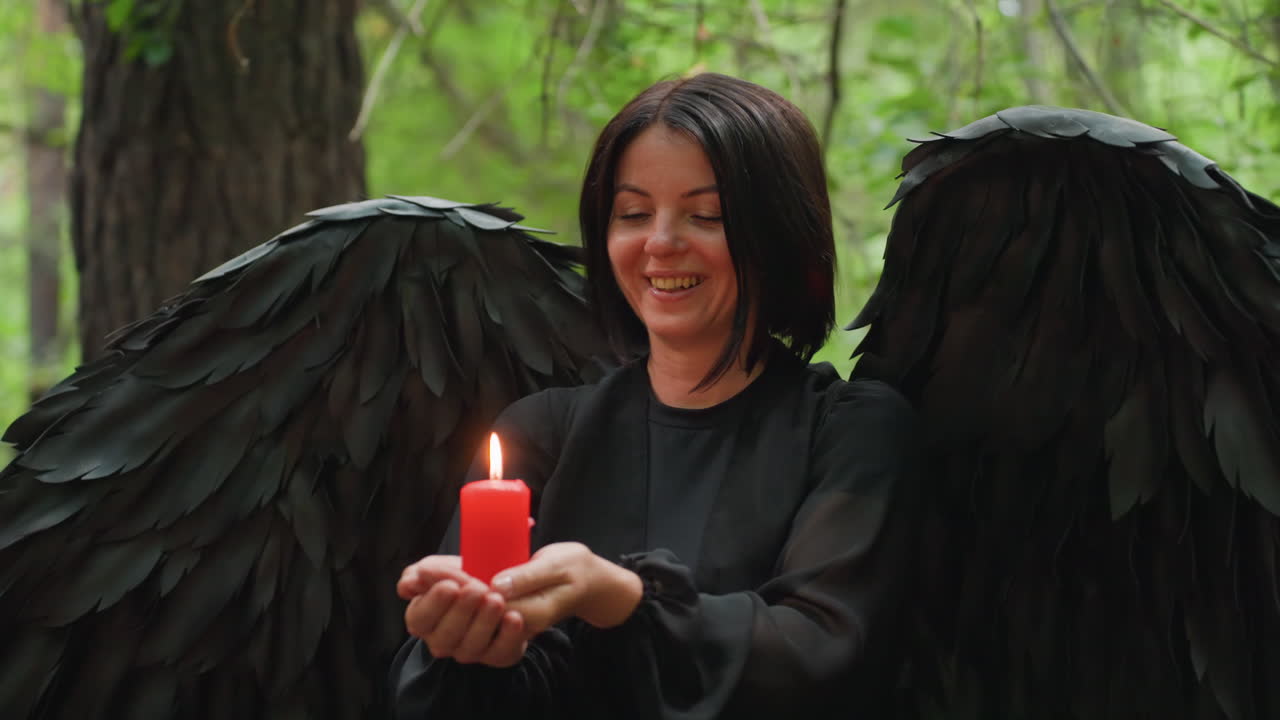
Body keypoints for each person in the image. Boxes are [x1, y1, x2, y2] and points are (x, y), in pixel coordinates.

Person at [389, 72, 921, 719]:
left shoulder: (850, 431)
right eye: (634, 214)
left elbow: (819, 653)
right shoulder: (540, 433)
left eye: (707, 216)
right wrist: (472, 650)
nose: (661, 243)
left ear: (779, 232)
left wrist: (624, 600)